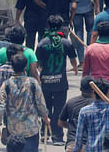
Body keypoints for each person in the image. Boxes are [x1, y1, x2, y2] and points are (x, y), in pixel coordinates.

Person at [37, 15, 78, 145]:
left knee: (46, 108)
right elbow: (73, 60)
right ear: (61, 27)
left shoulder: (42, 43)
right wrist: (75, 68)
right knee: (59, 109)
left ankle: (44, 133)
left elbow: (38, 64)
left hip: (45, 82)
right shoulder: (66, 42)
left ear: (48, 26)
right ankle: (58, 137)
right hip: (61, 82)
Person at [0, 54, 49, 150]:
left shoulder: (6, 85)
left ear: (12, 67)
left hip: (13, 131)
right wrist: (45, 117)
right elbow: (40, 103)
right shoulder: (33, 83)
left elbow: (1, 105)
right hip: (31, 129)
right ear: (25, 66)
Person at [74, 77, 109, 152]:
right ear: (107, 92)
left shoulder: (85, 111)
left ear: (93, 92)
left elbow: (79, 136)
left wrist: (76, 150)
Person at [83, 21, 109, 105]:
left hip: (94, 86)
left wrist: (84, 87)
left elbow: (85, 71)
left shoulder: (90, 49)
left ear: (98, 33)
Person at [58, 76, 96, 152]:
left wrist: (72, 126)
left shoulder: (71, 102)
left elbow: (60, 122)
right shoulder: (96, 105)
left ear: (80, 88)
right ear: (94, 90)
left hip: (72, 144)